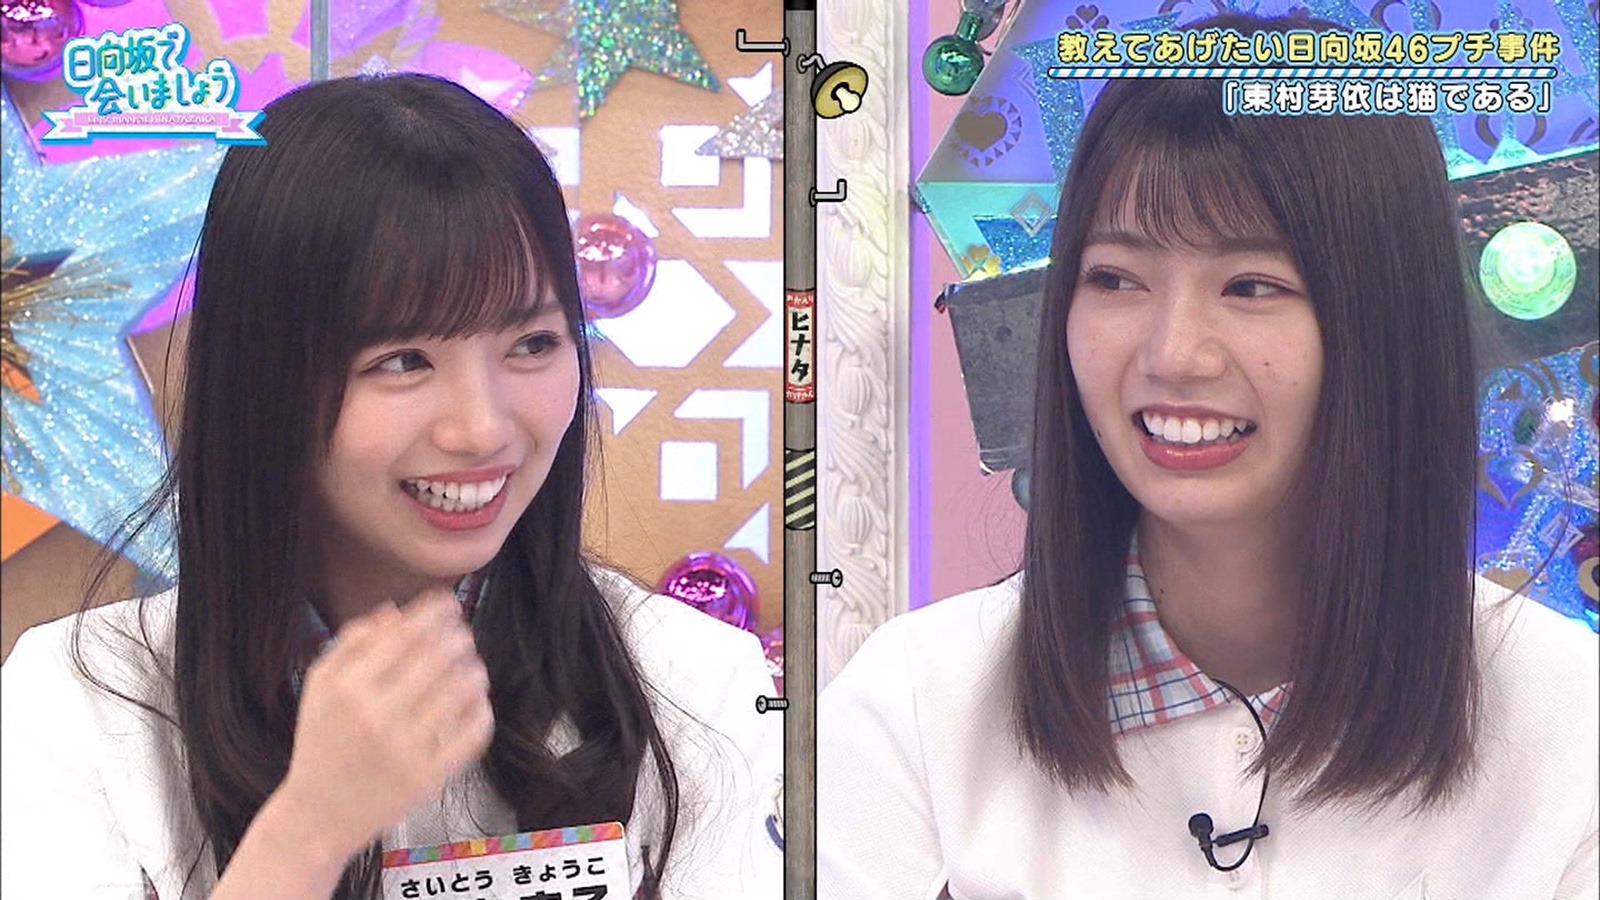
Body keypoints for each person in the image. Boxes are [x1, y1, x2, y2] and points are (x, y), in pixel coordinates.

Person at [818, 14, 1597, 900]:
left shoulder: (1568, 724)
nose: (1173, 354)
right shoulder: (916, 708)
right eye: (1115, 278)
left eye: (1251, 286)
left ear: (1388, 322)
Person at [0, 74, 782, 900]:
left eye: (532, 344)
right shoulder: (83, 702)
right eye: (403, 361)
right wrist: (309, 829)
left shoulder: (693, 678)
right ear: (263, 379)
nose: (482, 428)